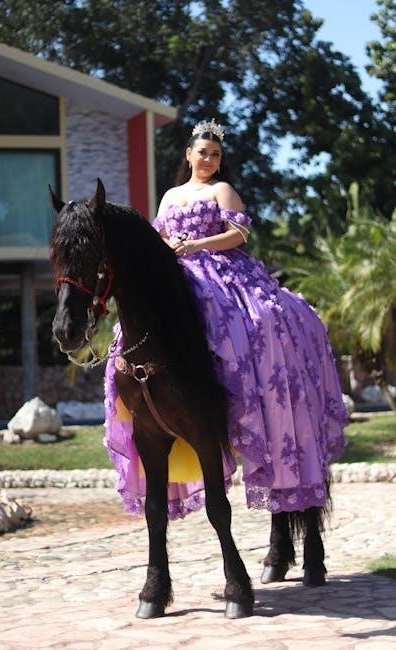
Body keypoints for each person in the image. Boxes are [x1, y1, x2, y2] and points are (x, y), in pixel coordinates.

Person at [104, 118, 348, 518]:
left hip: (221, 267)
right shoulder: (170, 196)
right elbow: (157, 237)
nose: (209, 160)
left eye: (215, 155)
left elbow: (238, 235)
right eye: (202, 152)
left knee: (258, 318)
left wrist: (196, 244)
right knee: (133, 329)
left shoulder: (223, 190)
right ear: (188, 154)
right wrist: (170, 245)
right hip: (175, 267)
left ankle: (249, 383)